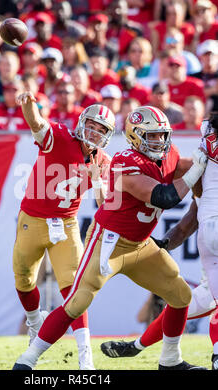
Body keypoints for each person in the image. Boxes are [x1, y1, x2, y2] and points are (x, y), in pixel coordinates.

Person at [13, 105, 208, 370]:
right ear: (136, 136)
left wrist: (208, 169)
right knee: (76, 302)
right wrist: (198, 168)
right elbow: (165, 197)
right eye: (152, 136)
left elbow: (186, 170)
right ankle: (28, 359)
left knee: (181, 295)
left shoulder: (168, 155)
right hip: (110, 242)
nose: (159, 141)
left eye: (162, 135)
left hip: (141, 245)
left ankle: (170, 360)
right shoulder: (125, 161)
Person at [100, 112, 218, 370]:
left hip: (208, 235)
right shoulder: (196, 165)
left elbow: (190, 221)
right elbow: (182, 212)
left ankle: (138, 347)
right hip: (210, 228)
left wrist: (163, 244)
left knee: (189, 298)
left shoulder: (200, 157)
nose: (158, 140)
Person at [11, 90, 115, 370]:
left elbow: (105, 204)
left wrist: (97, 182)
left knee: (75, 290)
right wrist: (29, 104)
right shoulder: (59, 137)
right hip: (32, 219)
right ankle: (35, 323)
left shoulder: (102, 160)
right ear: (82, 122)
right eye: (91, 125)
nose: (93, 132)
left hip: (66, 225)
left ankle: (85, 357)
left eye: (100, 129)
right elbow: (36, 123)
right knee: (23, 281)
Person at [193, 39, 218, 113]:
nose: (209, 57)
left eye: (212, 54)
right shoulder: (193, 77)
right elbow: (191, 95)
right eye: (206, 54)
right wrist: (213, 90)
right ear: (200, 57)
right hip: (198, 115)